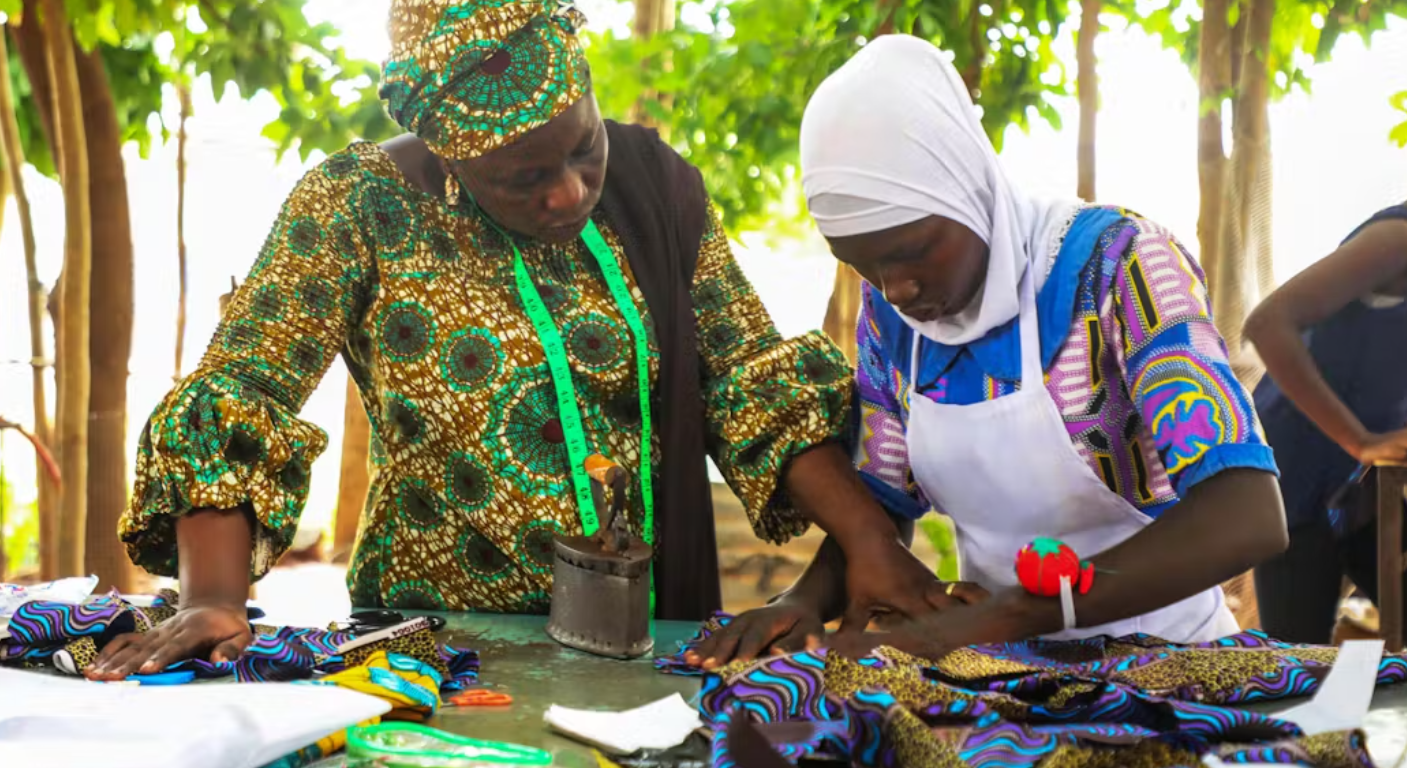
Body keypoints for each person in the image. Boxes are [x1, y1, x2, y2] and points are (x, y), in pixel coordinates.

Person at [85, 0, 941, 680]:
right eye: (524, 178)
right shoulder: (357, 205)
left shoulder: (660, 191)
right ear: (449, 155)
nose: (569, 194)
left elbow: (747, 373)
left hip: (641, 645)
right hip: (428, 651)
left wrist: (868, 547)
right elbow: (246, 387)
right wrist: (213, 598)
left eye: (585, 149)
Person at [687, 35, 1288, 667]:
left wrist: (1000, 618)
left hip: (1170, 664)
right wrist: (804, 602)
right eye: (864, 267)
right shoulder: (893, 325)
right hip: (1004, 670)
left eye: (912, 251)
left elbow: (1245, 514)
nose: (897, 289)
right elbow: (883, 504)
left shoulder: (1119, 269)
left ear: (965, 187)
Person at [1246, 201, 1407, 644]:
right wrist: (1360, 441)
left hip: (1371, 487)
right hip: (1300, 475)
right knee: (1298, 665)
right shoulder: (1398, 237)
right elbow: (1267, 323)